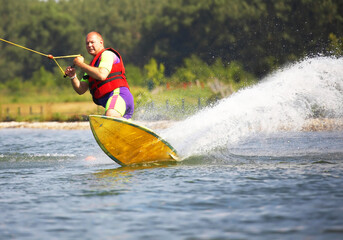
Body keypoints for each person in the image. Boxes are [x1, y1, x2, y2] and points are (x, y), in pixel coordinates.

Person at [64, 31, 134, 119]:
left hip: (119, 96)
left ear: (101, 42)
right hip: (115, 104)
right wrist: (73, 76)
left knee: (110, 116)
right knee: (111, 124)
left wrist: (81, 64)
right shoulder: (91, 68)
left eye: (92, 42)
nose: (89, 45)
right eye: (87, 43)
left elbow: (102, 75)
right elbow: (81, 89)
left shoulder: (107, 54)